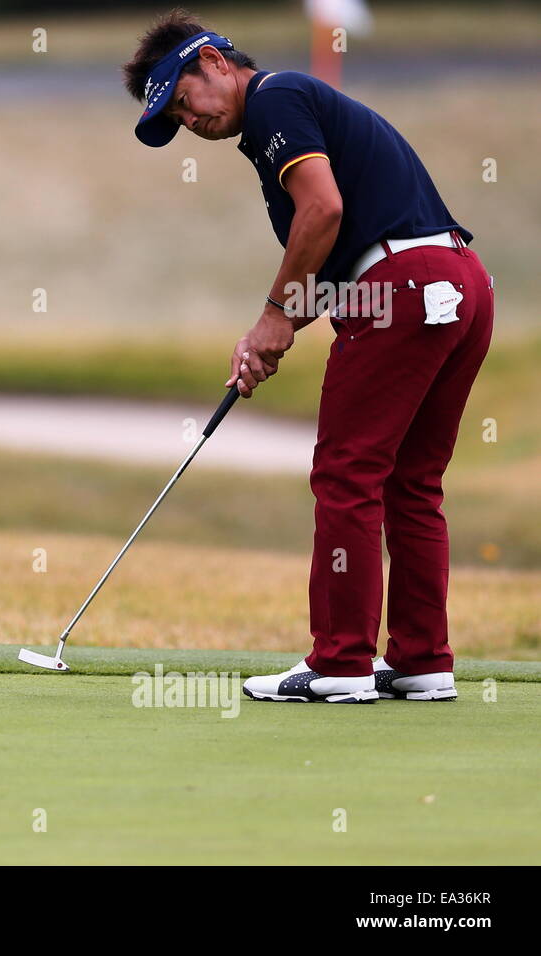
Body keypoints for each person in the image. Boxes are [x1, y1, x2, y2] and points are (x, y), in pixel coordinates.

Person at [123, 9, 492, 703]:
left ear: (216, 64)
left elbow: (321, 212)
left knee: (346, 473)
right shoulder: (274, 129)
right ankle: (421, 661)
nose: (190, 121)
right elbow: (323, 262)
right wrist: (273, 333)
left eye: (184, 99)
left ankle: (342, 664)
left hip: (402, 286)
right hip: (457, 282)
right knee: (411, 482)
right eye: (174, 118)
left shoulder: (275, 98)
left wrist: (271, 316)